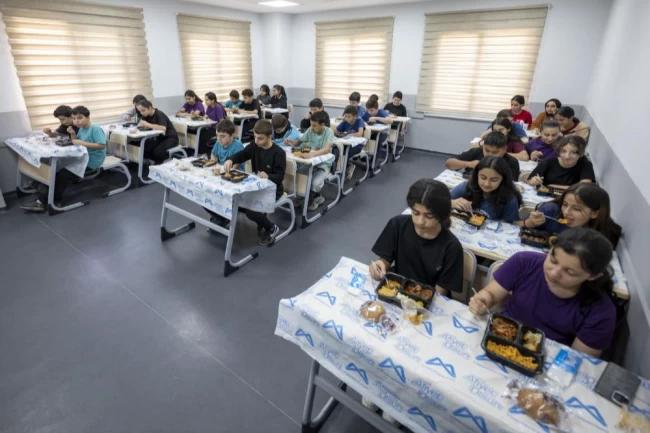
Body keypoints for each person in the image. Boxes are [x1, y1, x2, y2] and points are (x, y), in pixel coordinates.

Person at [469, 227, 617, 357]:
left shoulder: (601, 311)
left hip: (549, 360)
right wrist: (482, 300)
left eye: (570, 272)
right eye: (553, 260)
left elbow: (578, 359)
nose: (554, 273)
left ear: (592, 276)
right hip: (500, 338)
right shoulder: (524, 262)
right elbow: (490, 294)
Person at [370, 178, 464, 296]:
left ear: (442, 215)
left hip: (428, 298)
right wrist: (379, 267)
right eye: (415, 213)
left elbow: (439, 294)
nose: (420, 221)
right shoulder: (397, 225)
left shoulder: (451, 247)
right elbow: (385, 260)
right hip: (396, 289)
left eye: (429, 216)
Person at [21, 106, 106, 212]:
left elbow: (102, 145)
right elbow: (76, 141)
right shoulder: (82, 129)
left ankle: (51, 201)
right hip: (83, 156)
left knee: (63, 174)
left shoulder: (95, 129)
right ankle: (45, 199)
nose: (76, 121)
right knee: (57, 171)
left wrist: (82, 143)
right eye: (74, 118)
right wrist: (73, 134)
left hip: (93, 160)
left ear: (88, 117)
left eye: (80, 118)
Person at [223, 121, 286, 246]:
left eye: (260, 138)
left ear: (270, 137)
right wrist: (231, 160)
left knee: (250, 209)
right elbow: (242, 155)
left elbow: (280, 177)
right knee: (235, 200)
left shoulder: (279, 153)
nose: (256, 141)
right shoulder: (254, 146)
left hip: (273, 189)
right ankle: (223, 219)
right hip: (256, 187)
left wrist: (268, 176)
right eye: (255, 137)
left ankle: (271, 227)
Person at [521, 183, 622, 248]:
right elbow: (519, 225)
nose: (566, 212)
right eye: (565, 204)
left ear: (594, 213)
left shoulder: (604, 235)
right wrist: (530, 223)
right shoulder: (550, 211)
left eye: (576, 209)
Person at [285, 111, 333, 211]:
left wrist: (312, 154)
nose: (312, 127)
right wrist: (290, 141)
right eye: (311, 124)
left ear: (322, 125)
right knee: (299, 176)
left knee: (314, 184)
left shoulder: (329, 132)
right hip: (310, 164)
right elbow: (298, 142)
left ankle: (316, 197)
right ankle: (305, 197)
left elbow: (326, 149)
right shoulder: (311, 129)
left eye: (315, 125)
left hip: (323, 165)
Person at [450, 156, 522, 223]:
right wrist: (452, 203)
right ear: (477, 175)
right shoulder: (468, 186)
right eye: (483, 178)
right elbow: (443, 201)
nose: (486, 184)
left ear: (503, 180)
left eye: (494, 180)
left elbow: (509, 227)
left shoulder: (510, 200)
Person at [203, 119, 245, 229]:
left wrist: (219, 170)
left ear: (232, 136)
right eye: (217, 135)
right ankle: (220, 217)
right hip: (220, 176)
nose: (219, 139)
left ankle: (222, 217)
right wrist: (213, 163)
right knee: (203, 195)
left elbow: (234, 168)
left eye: (222, 136)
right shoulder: (218, 143)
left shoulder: (238, 146)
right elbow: (213, 154)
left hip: (233, 179)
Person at [446, 131, 520, 179]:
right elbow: (449, 163)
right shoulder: (477, 152)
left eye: (495, 152)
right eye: (487, 150)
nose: (490, 155)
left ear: (505, 149)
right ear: (483, 146)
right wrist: (469, 164)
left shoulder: (512, 162)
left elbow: (511, 185)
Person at [527, 136, 595, 187]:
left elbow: (584, 187)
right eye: (563, 151)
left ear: (581, 154)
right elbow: (529, 180)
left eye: (573, 152)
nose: (567, 156)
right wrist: (533, 181)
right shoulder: (548, 162)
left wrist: (552, 186)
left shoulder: (585, 164)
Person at [135, 99, 179, 164]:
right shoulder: (146, 115)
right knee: (145, 146)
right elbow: (142, 124)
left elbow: (163, 128)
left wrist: (147, 124)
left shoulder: (159, 114)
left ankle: (166, 160)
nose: (142, 113)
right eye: (140, 111)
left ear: (149, 108)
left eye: (143, 110)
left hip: (170, 138)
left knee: (158, 151)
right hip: (160, 138)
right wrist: (141, 126)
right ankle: (156, 161)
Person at [336, 105, 366, 180]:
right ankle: (344, 166)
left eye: (349, 117)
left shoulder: (359, 121)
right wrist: (339, 134)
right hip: (346, 144)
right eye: (345, 116)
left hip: (357, 146)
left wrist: (348, 134)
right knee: (336, 150)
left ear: (355, 116)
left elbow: (360, 133)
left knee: (345, 152)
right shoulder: (345, 122)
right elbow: (337, 130)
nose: (347, 118)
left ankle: (345, 168)